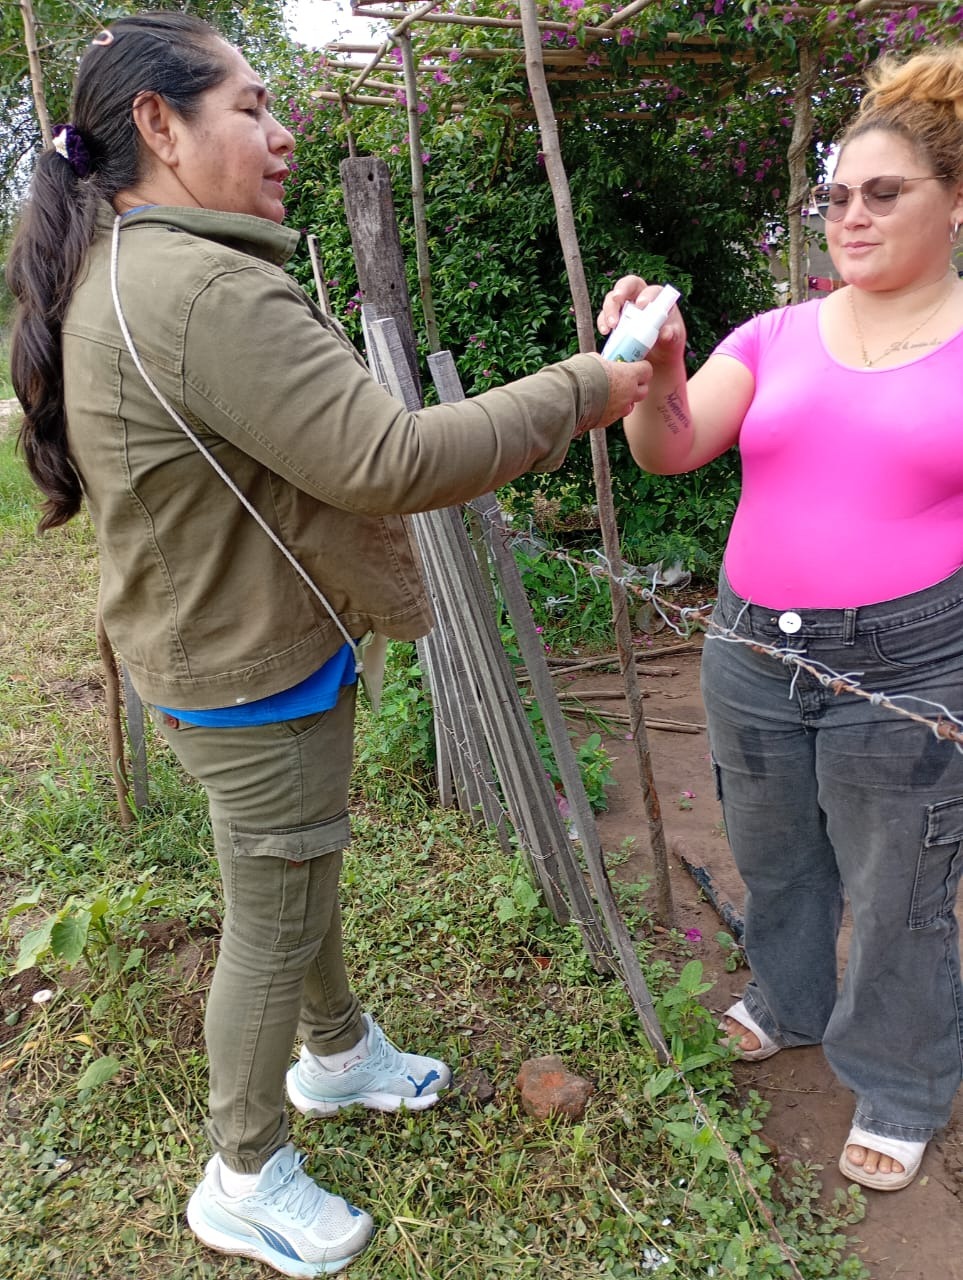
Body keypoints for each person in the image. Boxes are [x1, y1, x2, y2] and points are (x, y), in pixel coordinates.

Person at [6, 13, 653, 1277]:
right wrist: (589, 386)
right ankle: (243, 1173)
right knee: (273, 908)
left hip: (208, 642)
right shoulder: (201, 287)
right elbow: (389, 459)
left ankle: (340, 1051)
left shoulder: (126, 264)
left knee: (292, 869)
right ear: (159, 125)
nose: (283, 130)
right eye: (251, 106)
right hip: (246, 663)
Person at [598, 46, 963, 1195]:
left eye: (884, 193)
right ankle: (791, 997)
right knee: (775, 852)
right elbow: (669, 449)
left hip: (906, 658)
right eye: (837, 195)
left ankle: (899, 1080)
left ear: (956, 200)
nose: (851, 216)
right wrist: (659, 368)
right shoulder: (775, 334)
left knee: (901, 882)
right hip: (752, 646)